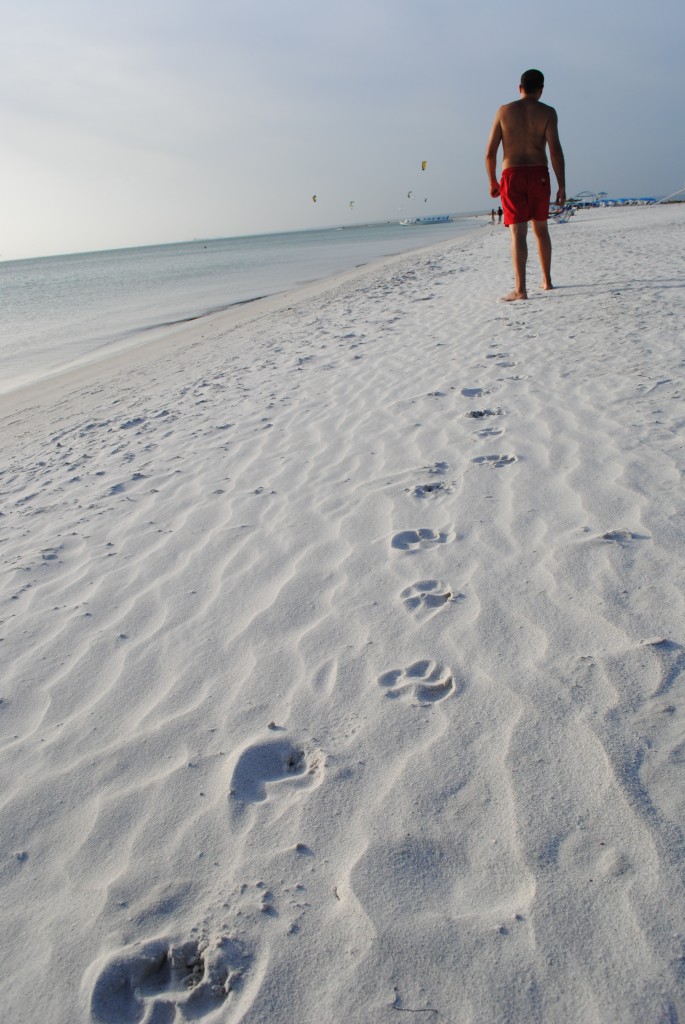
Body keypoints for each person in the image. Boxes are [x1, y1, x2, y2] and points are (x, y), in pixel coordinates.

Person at [485, 69, 566, 300]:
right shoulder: (548, 113)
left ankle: (520, 290)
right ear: (540, 90)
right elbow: (555, 150)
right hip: (539, 173)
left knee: (518, 233)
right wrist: (562, 185)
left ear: (519, 88)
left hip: (512, 174)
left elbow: (490, 152)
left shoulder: (504, 111)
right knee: (541, 229)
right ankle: (547, 281)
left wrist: (492, 180)